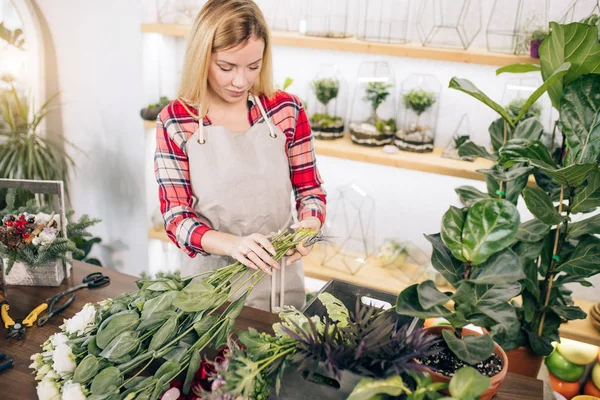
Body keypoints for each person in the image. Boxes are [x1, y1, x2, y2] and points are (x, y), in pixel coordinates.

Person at [154, 0, 326, 312]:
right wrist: (233, 245)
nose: (240, 81)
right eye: (226, 67)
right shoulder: (177, 119)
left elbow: (310, 190)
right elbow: (176, 218)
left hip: (280, 281)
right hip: (211, 290)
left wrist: (310, 224)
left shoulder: (286, 110)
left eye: (253, 66)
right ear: (202, 57)